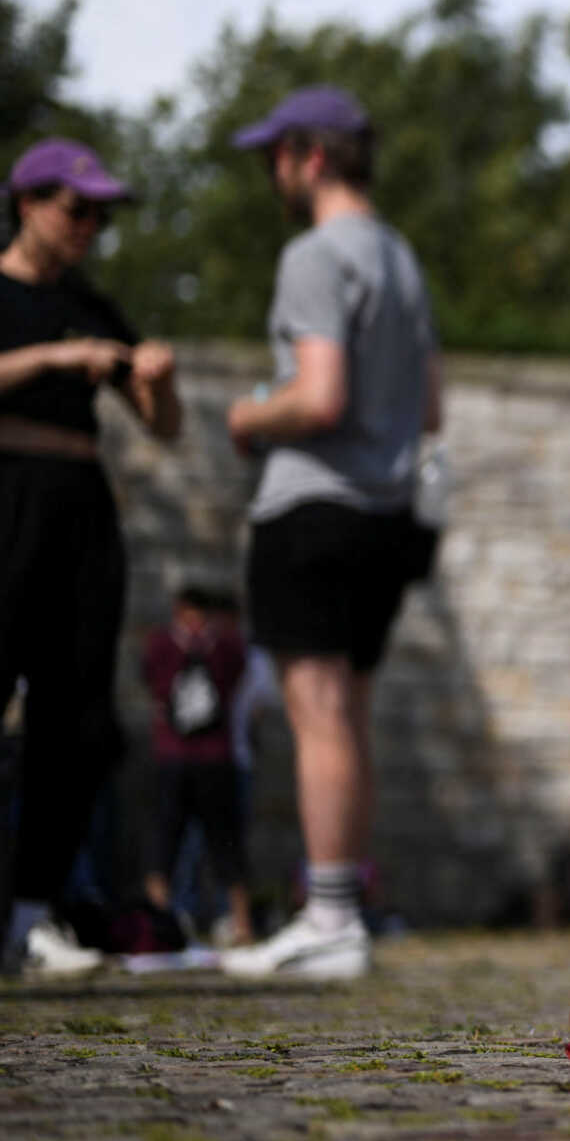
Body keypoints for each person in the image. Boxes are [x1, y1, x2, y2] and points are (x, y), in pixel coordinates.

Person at [0, 139, 181, 973]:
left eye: (100, 214)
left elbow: (164, 424)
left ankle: (32, 914)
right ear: (27, 203)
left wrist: (160, 378)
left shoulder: (92, 303)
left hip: (82, 515)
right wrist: (51, 356)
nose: (89, 226)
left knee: (78, 722)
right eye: (78, 209)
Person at [217, 87, 441, 980]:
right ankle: (344, 905)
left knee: (316, 716)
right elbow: (430, 408)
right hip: (385, 517)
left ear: (310, 158)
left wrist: (246, 414)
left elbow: (318, 397)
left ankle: (331, 919)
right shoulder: (401, 258)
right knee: (347, 714)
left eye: (276, 154)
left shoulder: (315, 255)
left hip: (312, 508)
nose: (273, 172)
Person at [141, 585, 256, 946]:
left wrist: (208, 647)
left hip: (213, 757)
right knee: (165, 837)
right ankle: (157, 918)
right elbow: (151, 678)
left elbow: (236, 672)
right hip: (173, 756)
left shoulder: (225, 647)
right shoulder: (161, 644)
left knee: (226, 840)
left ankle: (241, 923)